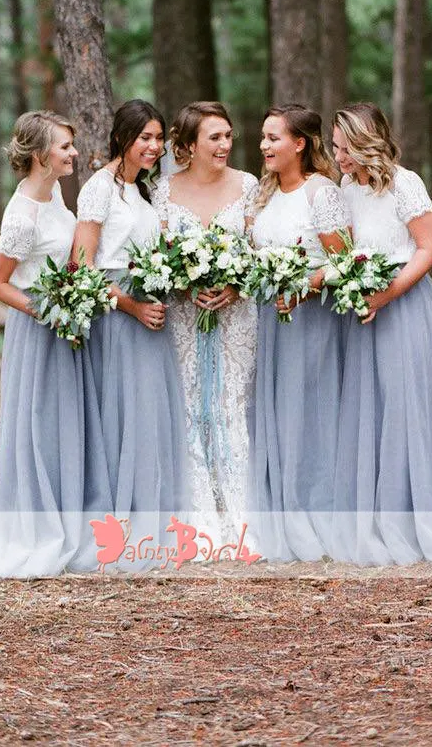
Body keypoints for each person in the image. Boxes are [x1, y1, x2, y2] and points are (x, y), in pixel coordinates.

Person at [330, 101, 432, 565]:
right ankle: (380, 517)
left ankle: (423, 515)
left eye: (345, 148)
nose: (339, 156)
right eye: (335, 146)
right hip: (364, 310)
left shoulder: (405, 184)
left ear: (368, 144)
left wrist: (389, 292)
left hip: (405, 307)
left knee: (408, 404)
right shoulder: (346, 188)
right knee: (372, 409)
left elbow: (431, 247)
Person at [0, 111, 107, 577]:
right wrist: (47, 311)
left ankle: (71, 518)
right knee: (38, 424)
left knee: (66, 423)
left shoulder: (54, 196)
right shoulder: (23, 214)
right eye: (65, 146)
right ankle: (36, 530)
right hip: (38, 331)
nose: (73, 153)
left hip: (65, 324)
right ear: (39, 155)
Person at [74, 100, 188, 558]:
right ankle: (116, 528)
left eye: (159, 139)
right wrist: (130, 306)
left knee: (149, 416)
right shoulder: (98, 189)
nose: (155, 147)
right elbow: (81, 266)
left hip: (151, 313)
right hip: (118, 316)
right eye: (146, 138)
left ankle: (150, 522)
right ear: (122, 138)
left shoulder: (141, 191)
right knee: (122, 414)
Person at [152, 101, 258, 540]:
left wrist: (236, 285)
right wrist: (184, 285)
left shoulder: (249, 185)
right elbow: (157, 256)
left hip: (236, 316)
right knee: (192, 407)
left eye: (228, 136)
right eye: (214, 137)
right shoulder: (162, 191)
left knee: (234, 405)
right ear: (189, 145)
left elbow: (257, 249)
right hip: (184, 315)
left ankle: (243, 516)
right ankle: (199, 518)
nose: (225, 145)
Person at [250, 104, 350, 561]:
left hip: (313, 320)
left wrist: (305, 286)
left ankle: (322, 512)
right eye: (264, 138)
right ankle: (284, 510)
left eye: (273, 138)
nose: (264, 145)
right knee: (281, 411)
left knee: (312, 411)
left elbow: (346, 261)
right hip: (272, 320)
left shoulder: (321, 193)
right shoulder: (267, 194)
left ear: (300, 143)